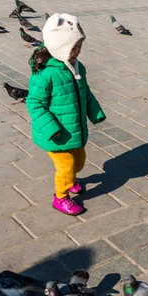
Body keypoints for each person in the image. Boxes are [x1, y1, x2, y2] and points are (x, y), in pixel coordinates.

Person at [26, 13, 106, 216]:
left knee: (79, 160)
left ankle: (70, 180)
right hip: (56, 133)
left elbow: (85, 92)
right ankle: (60, 197)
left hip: (74, 128)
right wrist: (51, 128)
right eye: (73, 48)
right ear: (59, 47)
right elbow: (35, 104)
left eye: (79, 47)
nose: (77, 52)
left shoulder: (78, 68)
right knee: (67, 165)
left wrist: (94, 112)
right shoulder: (45, 74)